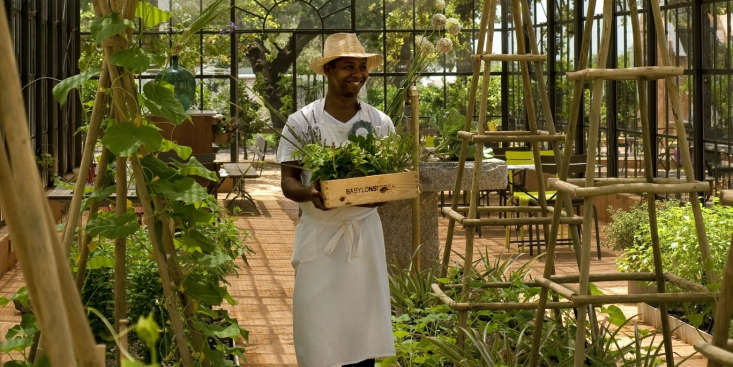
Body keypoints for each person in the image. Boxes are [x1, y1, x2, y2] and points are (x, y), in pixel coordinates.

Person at [276, 33, 396, 367]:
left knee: (362, 325)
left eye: (362, 66)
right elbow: (288, 181)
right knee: (317, 326)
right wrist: (312, 194)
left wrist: (379, 196)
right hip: (319, 233)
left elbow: (388, 181)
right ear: (328, 71)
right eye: (347, 67)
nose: (357, 73)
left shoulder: (379, 123)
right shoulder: (303, 122)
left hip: (363, 234)